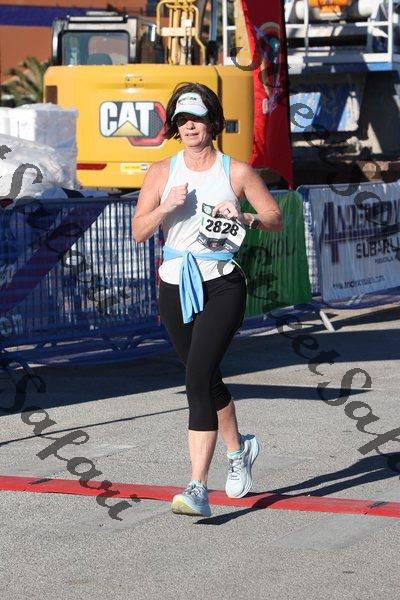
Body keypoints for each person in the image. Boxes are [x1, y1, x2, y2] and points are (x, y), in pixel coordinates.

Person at [132, 82, 283, 517]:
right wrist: (165, 207)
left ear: (212, 122)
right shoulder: (162, 171)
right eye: (182, 119)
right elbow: (139, 231)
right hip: (175, 283)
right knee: (206, 376)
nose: (189, 126)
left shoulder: (236, 172)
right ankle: (239, 450)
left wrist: (247, 216)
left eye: (196, 118)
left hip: (222, 284)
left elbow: (275, 218)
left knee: (196, 378)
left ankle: (197, 487)